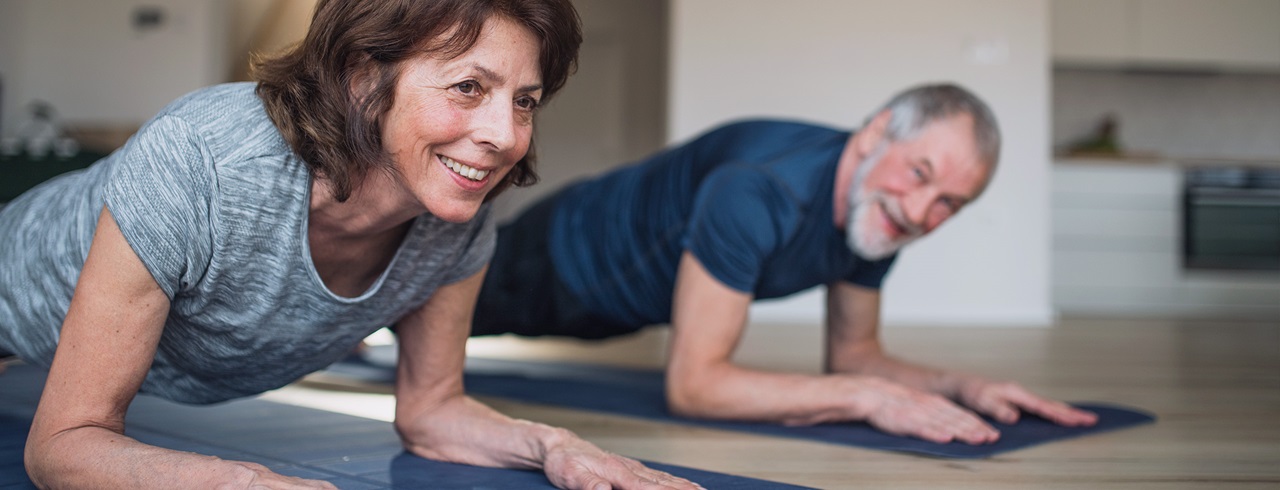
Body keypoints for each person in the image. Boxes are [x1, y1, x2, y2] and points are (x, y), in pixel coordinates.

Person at [0, 0, 700, 488]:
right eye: (468, 87)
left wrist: (558, 448)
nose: (508, 137)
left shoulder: (456, 225)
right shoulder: (201, 161)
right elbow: (62, 444)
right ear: (362, 76)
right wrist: (241, 482)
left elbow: (433, 414)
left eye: (524, 99)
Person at [474, 83, 1100, 445]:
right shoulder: (760, 190)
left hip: (620, 306)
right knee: (409, 303)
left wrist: (964, 386)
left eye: (948, 204)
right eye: (919, 173)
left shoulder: (875, 218)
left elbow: (855, 355)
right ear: (877, 131)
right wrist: (865, 399)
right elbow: (694, 386)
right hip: (560, 258)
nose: (918, 212)